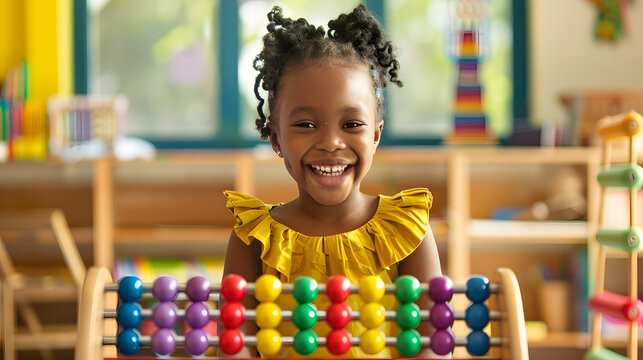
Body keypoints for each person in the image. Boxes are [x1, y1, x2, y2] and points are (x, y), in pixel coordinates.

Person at [221, 4, 443, 358]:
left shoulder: (407, 232)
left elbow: (433, 347)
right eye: (306, 125)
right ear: (276, 138)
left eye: (352, 124)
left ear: (375, 136)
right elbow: (236, 347)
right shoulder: (254, 239)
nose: (330, 142)